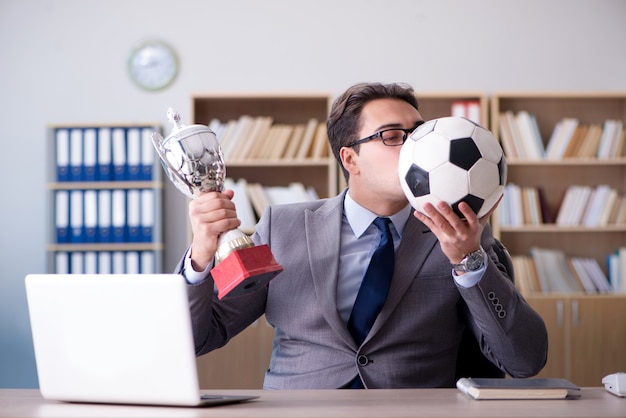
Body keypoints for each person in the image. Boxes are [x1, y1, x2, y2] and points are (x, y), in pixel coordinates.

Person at [175, 82, 548, 389]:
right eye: (392, 136)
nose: (415, 145)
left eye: (418, 133)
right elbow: (197, 337)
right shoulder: (282, 227)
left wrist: (469, 262)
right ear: (350, 159)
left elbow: (524, 360)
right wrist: (199, 259)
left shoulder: (463, 233)